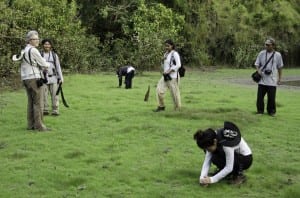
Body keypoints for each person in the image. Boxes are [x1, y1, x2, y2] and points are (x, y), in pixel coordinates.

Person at [193, 121, 253, 186]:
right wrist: (202, 178)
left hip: (245, 159)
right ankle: (226, 174)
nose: (208, 151)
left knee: (219, 153)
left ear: (215, 141)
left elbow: (229, 167)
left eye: (209, 149)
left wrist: (212, 179)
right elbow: (207, 161)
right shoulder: (211, 139)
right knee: (214, 156)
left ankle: (238, 175)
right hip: (233, 156)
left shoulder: (226, 144)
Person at [19, 30, 51, 131]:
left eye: (38, 39)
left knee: (30, 102)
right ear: (29, 40)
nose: (37, 41)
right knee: (38, 102)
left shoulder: (24, 50)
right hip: (34, 78)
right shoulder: (33, 50)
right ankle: (39, 126)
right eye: (35, 39)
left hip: (25, 78)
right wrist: (48, 65)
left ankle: (30, 125)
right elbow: (44, 63)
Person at [254, 37, 284, 116]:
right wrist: (258, 70)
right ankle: (260, 111)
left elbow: (280, 67)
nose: (266, 46)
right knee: (260, 97)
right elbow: (257, 64)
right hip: (262, 79)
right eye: (265, 44)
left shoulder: (278, 55)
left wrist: (280, 79)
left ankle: (271, 112)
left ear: (273, 45)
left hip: (272, 80)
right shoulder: (261, 53)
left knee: (271, 98)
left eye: (268, 45)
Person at [154, 39, 181, 112]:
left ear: (172, 46)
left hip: (173, 77)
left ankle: (177, 108)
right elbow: (164, 66)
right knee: (159, 90)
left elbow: (178, 65)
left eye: (168, 46)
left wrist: (169, 71)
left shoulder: (174, 54)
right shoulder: (165, 54)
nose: (166, 47)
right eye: (165, 46)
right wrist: (162, 61)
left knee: (174, 94)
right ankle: (161, 106)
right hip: (165, 76)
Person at [40, 39, 64, 116]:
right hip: (43, 78)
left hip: (53, 78)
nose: (47, 45)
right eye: (45, 44)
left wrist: (61, 78)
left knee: (55, 94)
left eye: (48, 44)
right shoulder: (39, 55)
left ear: (50, 46)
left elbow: (58, 67)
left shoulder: (54, 55)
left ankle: (55, 110)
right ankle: (45, 109)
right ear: (43, 45)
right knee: (44, 94)